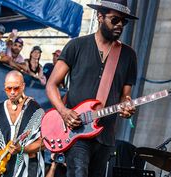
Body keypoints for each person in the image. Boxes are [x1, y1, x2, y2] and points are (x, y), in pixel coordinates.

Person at [45, 0, 138, 177]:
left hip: (105, 135)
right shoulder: (76, 46)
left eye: (123, 22)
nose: (120, 26)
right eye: (115, 20)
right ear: (100, 16)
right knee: (78, 172)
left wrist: (127, 106)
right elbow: (51, 84)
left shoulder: (128, 55)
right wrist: (64, 112)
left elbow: (126, 95)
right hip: (77, 129)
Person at [0, 70, 45, 177]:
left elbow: (44, 143)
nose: (12, 92)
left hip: (29, 169)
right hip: (5, 169)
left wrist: (22, 149)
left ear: (23, 86)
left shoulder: (35, 110)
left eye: (16, 88)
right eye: (8, 88)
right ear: (4, 87)